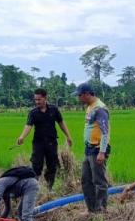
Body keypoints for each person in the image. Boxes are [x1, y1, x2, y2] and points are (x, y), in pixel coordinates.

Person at [17, 88, 73, 190]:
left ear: (45, 98)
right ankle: (33, 188)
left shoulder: (54, 109)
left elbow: (61, 123)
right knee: (36, 165)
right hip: (38, 143)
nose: (37, 102)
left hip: (52, 142)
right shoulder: (33, 113)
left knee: (52, 166)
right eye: (35, 100)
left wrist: (68, 136)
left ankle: (49, 188)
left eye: (39, 99)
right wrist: (22, 137)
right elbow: (28, 126)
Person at [75, 83, 110, 213]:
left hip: (97, 149)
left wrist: (102, 152)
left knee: (99, 181)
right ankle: (92, 209)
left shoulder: (99, 109)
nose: (78, 98)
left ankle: (101, 210)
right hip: (89, 149)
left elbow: (105, 132)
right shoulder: (90, 107)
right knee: (85, 180)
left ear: (87, 94)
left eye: (80, 95)